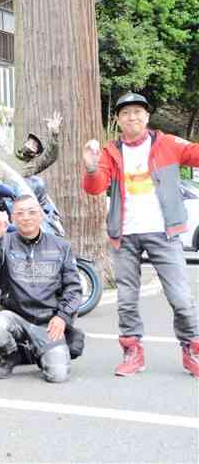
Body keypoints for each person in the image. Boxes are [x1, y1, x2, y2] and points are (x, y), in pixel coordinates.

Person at [82, 92, 199, 378]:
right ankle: (132, 351)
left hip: (164, 233)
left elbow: (195, 155)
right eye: (125, 113)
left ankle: (192, 349)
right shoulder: (110, 151)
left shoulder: (168, 143)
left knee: (181, 297)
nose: (132, 117)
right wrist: (91, 167)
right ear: (118, 120)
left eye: (137, 112)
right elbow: (96, 188)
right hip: (125, 236)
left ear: (147, 117)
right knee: (126, 299)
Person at [0, 195, 83, 383]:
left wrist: (62, 317)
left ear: (41, 215)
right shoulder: (4, 242)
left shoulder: (61, 246)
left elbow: (74, 289)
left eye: (32, 212)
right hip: (16, 317)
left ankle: (35, 351)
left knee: (57, 376)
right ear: (13, 218)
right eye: (20, 213)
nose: (26, 217)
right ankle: (10, 355)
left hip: (48, 322)